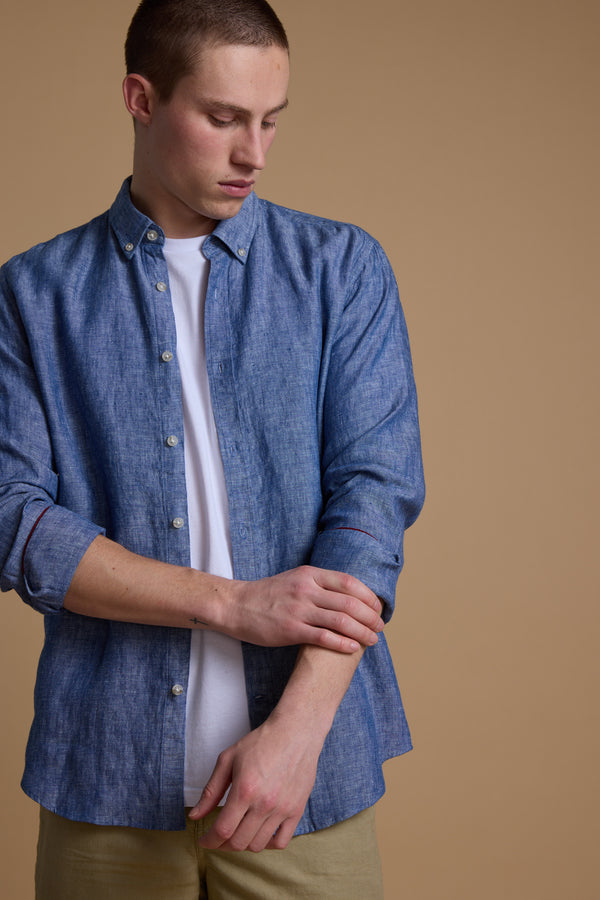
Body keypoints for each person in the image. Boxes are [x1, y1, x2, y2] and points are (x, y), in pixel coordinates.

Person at [0, 0, 424, 896]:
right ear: (141, 98)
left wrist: (297, 738)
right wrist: (234, 605)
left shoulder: (340, 271)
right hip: (104, 783)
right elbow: (15, 523)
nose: (254, 154)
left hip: (306, 785)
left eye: (271, 121)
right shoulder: (33, 295)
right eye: (224, 118)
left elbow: (373, 502)